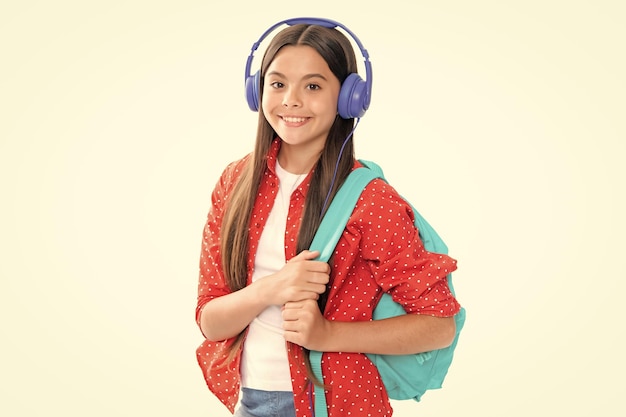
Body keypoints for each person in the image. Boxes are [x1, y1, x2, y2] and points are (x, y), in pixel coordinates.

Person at [195, 17, 461, 417]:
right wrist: (273, 288)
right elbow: (211, 323)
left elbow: (439, 326)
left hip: (339, 405)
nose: (291, 100)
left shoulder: (370, 200)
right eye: (278, 83)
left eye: (314, 86)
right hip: (250, 400)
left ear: (348, 98)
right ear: (257, 90)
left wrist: (328, 334)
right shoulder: (235, 183)